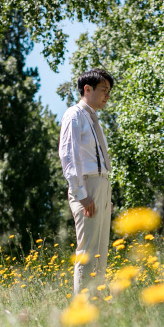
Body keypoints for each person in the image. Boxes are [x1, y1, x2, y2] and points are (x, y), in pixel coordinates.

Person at [58, 68, 114, 295]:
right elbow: (68, 156)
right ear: (87, 89)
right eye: (104, 90)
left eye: (109, 91)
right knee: (88, 251)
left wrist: (105, 198)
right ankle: (83, 304)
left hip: (101, 186)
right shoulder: (74, 115)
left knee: (101, 252)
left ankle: (98, 303)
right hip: (86, 187)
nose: (107, 95)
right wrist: (82, 195)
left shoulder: (93, 119)